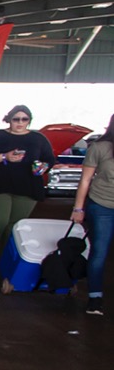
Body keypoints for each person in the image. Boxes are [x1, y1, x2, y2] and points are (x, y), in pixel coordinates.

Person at [0, 105, 57, 272]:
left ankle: (8, 255)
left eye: (24, 119)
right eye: (16, 119)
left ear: (29, 121)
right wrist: (5, 156)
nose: (20, 122)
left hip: (28, 187)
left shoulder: (38, 138)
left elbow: (49, 159)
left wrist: (42, 167)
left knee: (16, 225)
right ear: (9, 119)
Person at [70, 115, 114, 316]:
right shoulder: (100, 148)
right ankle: (95, 297)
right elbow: (85, 180)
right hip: (102, 205)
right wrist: (78, 209)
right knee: (99, 251)